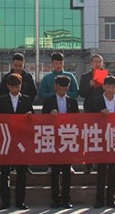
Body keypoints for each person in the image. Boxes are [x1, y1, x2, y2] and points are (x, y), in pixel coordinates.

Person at [84, 75, 115, 208]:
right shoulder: (95, 101)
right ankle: (99, 199)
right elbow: (88, 116)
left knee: (113, 171)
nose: (110, 89)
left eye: (113, 87)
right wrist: (99, 114)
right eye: (108, 86)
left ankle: (111, 198)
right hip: (101, 139)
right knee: (101, 170)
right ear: (103, 86)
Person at [0, 73, 34, 210]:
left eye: (17, 87)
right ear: (8, 86)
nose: (15, 89)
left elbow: (32, 119)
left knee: (21, 173)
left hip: (21, 141)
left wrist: (29, 116)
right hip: (6, 140)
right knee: (5, 172)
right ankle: (5, 201)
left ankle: (20, 201)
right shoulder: (1, 100)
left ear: (21, 86)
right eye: (12, 87)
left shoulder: (26, 100)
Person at [42, 75, 79, 209]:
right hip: (53, 139)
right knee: (55, 171)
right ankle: (55, 199)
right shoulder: (48, 102)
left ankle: (66, 199)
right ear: (55, 87)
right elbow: (42, 120)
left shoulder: (72, 102)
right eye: (60, 89)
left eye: (65, 90)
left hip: (67, 139)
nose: (62, 92)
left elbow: (77, 120)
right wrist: (49, 115)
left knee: (67, 171)